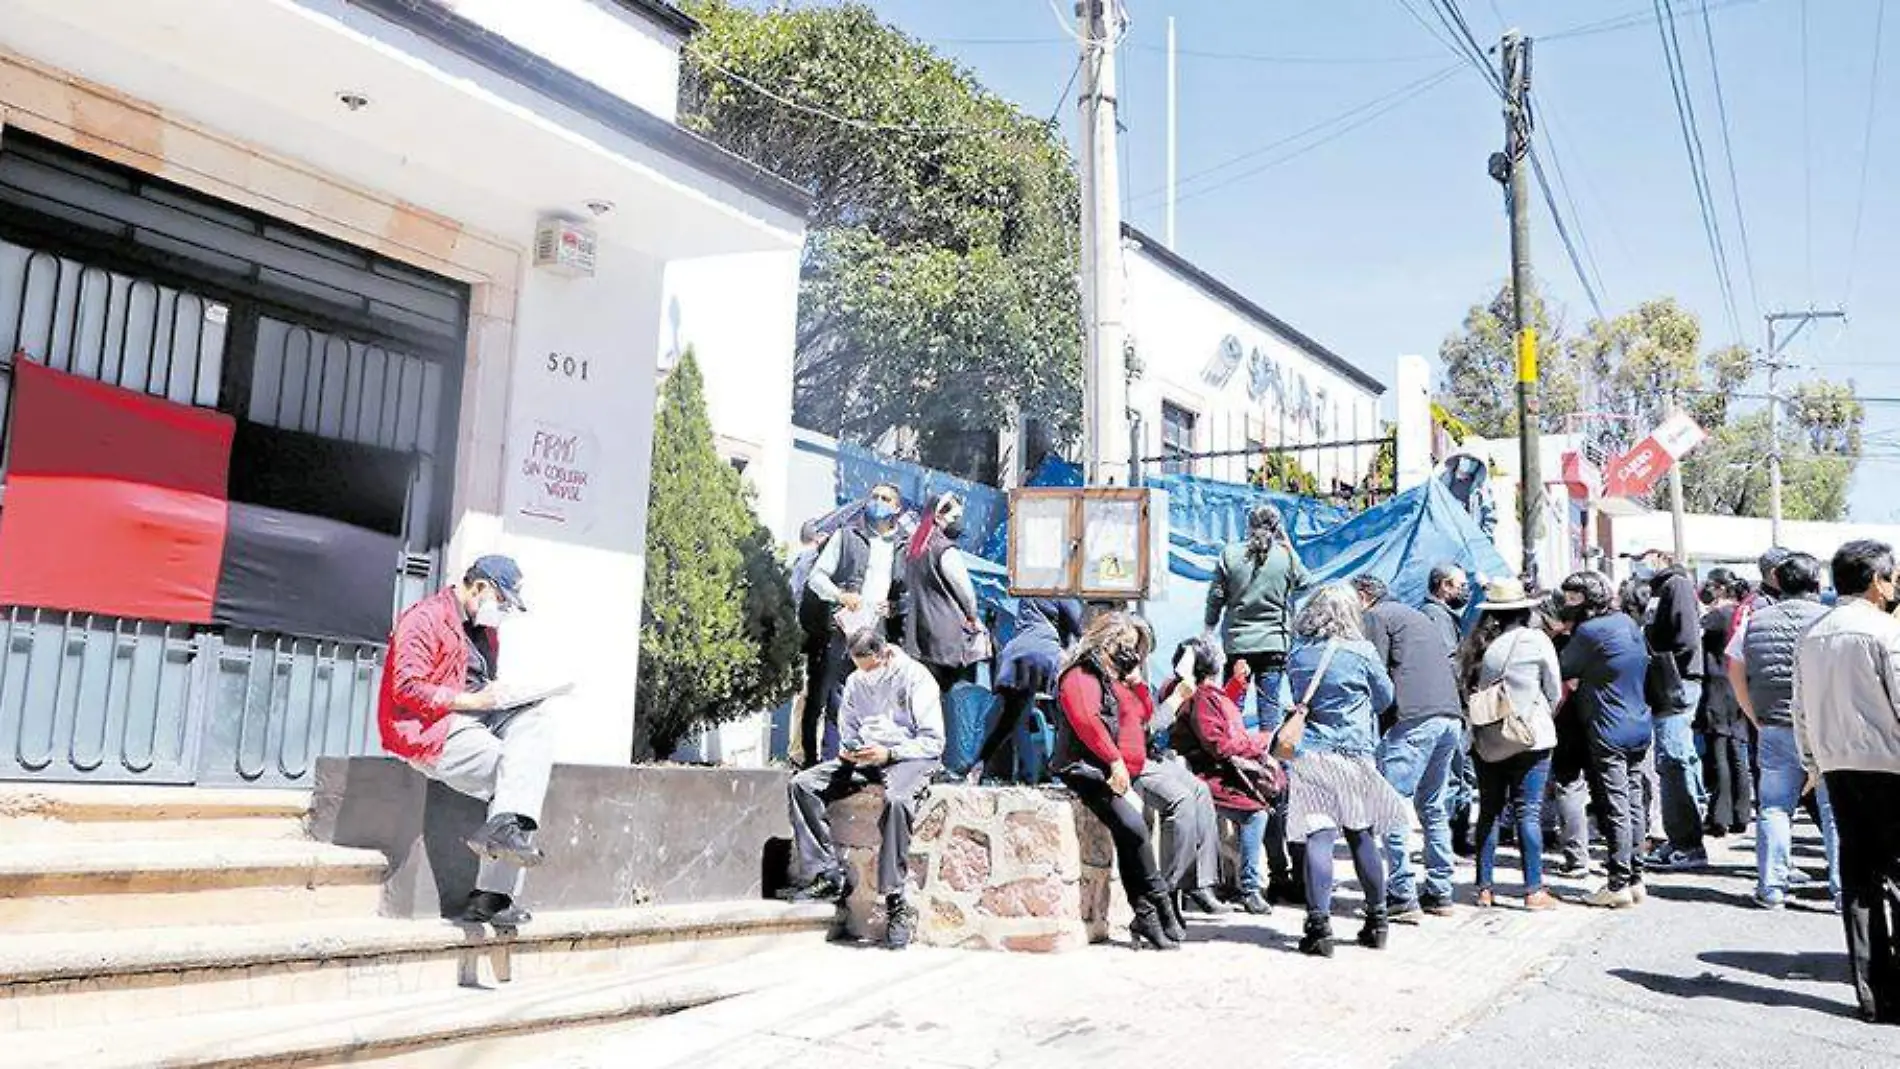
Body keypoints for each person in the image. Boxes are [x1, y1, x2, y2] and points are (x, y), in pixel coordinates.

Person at [378, 555, 549, 926]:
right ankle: (493, 896)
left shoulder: (486, 632)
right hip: (429, 728)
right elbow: (406, 687)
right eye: (502, 602)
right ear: (481, 587)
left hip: (475, 720)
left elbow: (477, 683)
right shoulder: (423, 617)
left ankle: (497, 859)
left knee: (535, 722)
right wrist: (473, 701)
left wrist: (503, 695)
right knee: (518, 777)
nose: (503, 612)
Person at [783, 629, 944, 950]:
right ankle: (827, 873)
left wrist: (892, 753)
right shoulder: (857, 681)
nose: (865, 675)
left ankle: (896, 900)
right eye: (859, 667)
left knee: (897, 801)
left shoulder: (916, 678)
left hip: (908, 756)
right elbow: (850, 728)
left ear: (883, 655)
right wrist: (851, 749)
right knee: (803, 784)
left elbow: (933, 741)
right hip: (867, 756)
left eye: (870, 667)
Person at [1794, 540, 1900, 1025]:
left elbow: (1800, 710)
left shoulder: (1813, 633)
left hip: (1838, 767)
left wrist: (1812, 762)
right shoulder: (1884, 631)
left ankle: (1875, 995)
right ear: (1877, 580)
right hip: (1890, 765)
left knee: (1859, 880)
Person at [1283, 583, 1410, 958]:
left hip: (1312, 755)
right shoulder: (1363, 653)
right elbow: (1386, 698)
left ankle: (1318, 926)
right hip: (1354, 754)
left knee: (1318, 838)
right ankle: (1377, 921)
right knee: (1361, 835)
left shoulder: (1300, 655)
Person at [1054, 612, 1181, 950]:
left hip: (1107, 768)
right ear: (1107, 642)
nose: (1130, 654)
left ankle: (1146, 914)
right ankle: (1160, 906)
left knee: (1129, 836)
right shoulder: (1080, 673)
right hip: (1083, 768)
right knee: (1134, 828)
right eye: (1125, 647)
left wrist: (1136, 681)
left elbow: (1141, 715)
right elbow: (1086, 720)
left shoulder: (1111, 678)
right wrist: (1114, 760)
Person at [1205, 502, 1309, 904]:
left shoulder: (1230, 555)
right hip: (1275, 646)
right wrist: (1286, 543)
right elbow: (1304, 580)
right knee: (1269, 719)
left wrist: (1210, 628)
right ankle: (1271, 766)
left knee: (1232, 708)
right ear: (1277, 527)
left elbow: (1215, 598)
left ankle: (1234, 755)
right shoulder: (1284, 557)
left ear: (1249, 527)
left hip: (1239, 646)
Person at [1732, 552, 1839, 911]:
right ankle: (1842, 889)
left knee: (1774, 808)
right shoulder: (1831, 620)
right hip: (1825, 728)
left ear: (1777, 581)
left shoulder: (1756, 620)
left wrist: (1755, 717)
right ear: (1815, 583)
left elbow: (1735, 671)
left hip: (1774, 725)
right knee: (1832, 808)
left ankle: (1772, 887)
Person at [1355, 575, 1464, 922]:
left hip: (1414, 719)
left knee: (1391, 805)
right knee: (1432, 806)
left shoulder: (1376, 617)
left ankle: (1402, 893)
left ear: (1363, 596)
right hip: (1450, 716)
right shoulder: (1419, 616)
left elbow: (1377, 676)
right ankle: (1441, 891)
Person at [1459, 578, 1561, 911]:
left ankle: (1484, 888)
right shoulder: (1536, 640)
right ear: (1524, 609)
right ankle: (1533, 890)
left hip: (1488, 739)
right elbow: (1554, 691)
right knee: (1527, 812)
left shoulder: (1481, 645)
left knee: (1488, 811)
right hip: (1529, 737)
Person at [1560, 570, 1654, 909]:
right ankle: (1636, 877)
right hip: (1638, 721)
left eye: (1572, 597)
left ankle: (1617, 882)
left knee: (1615, 804)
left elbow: (1564, 667)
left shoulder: (1589, 630)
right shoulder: (1627, 624)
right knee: (1632, 802)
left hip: (1608, 726)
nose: (1567, 603)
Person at [800, 483, 909, 766]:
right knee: (832, 693)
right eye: (874, 496)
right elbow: (817, 578)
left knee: (872, 698)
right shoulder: (846, 536)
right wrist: (840, 595)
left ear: (896, 508)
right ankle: (827, 759)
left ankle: (864, 760)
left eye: (885, 499)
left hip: (878, 633)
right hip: (844, 629)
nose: (878, 502)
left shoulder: (903, 547)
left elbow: (911, 594)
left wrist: (895, 607)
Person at [1167, 635, 1275, 914]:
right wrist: (1263, 741)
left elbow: (1217, 720)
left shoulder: (1197, 693)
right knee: (1256, 814)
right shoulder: (1202, 697)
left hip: (1213, 771)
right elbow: (1219, 744)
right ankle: (1250, 889)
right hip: (1208, 776)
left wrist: (1237, 686)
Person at [1135, 622, 1229, 918]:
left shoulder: (1149, 681)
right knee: (1181, 799)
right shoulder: (1179, 691)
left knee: (1199, 791)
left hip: (1153, 755)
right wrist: (1179, 695)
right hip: (1132, 758)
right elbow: (1150, 727)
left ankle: (1199, 883)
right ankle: (1172, 887)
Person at [1636, 548, 1710, 871]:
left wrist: (1668, 669)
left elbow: (1686, 638)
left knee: (1674, 760)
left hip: (1676, 683)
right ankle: (1683, 837)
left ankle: (1687, 842)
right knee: (1678, 759)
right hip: (1670, 683)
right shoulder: (1658, 590)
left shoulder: (1675, 585)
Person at [968, 597, 1085, 782]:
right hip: (1047, 653)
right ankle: (1061, 773)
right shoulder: (1063, 593)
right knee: (1068, 715)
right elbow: (1081, 628)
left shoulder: (1028, 590)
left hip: (1015, 653)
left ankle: (978, 767)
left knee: (1007, 721)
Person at [904, 491, 986, 698]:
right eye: (955, 518)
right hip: (947, 639)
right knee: (951, 700)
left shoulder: (913, 548)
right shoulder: (945, 550)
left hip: (918, 635)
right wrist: (973, 617)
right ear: (939, 516)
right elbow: (966, 593)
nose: (958, 523)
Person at [1422, 562, 1479, 858]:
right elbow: (1449, 662)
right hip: (1450, 705)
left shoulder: (1442, 615)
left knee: (1459, 774)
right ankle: (1450, 841)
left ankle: (1455, 837)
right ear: (1444, 586)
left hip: (1452, 704)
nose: (1464, 591)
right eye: (1460, 585)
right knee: (1453, 776)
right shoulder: (1436, 616)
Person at [1541, 590, 1594, 879]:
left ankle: (1577, 857)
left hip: (1566, 722)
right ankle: (1622, 855)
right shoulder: (1595, 638)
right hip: (1599, 720)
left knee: (1569, 785)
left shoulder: (1556, 645)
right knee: (1603, 788)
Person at [1698, 570, 1752, 839]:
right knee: (1737, 752)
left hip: (1717, 687)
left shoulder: (1718, 616)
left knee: (1719, 752)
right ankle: (1742, 813)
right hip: (1739, 686)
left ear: (1719, 588)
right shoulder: (1743, 613)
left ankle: (1720, 815)